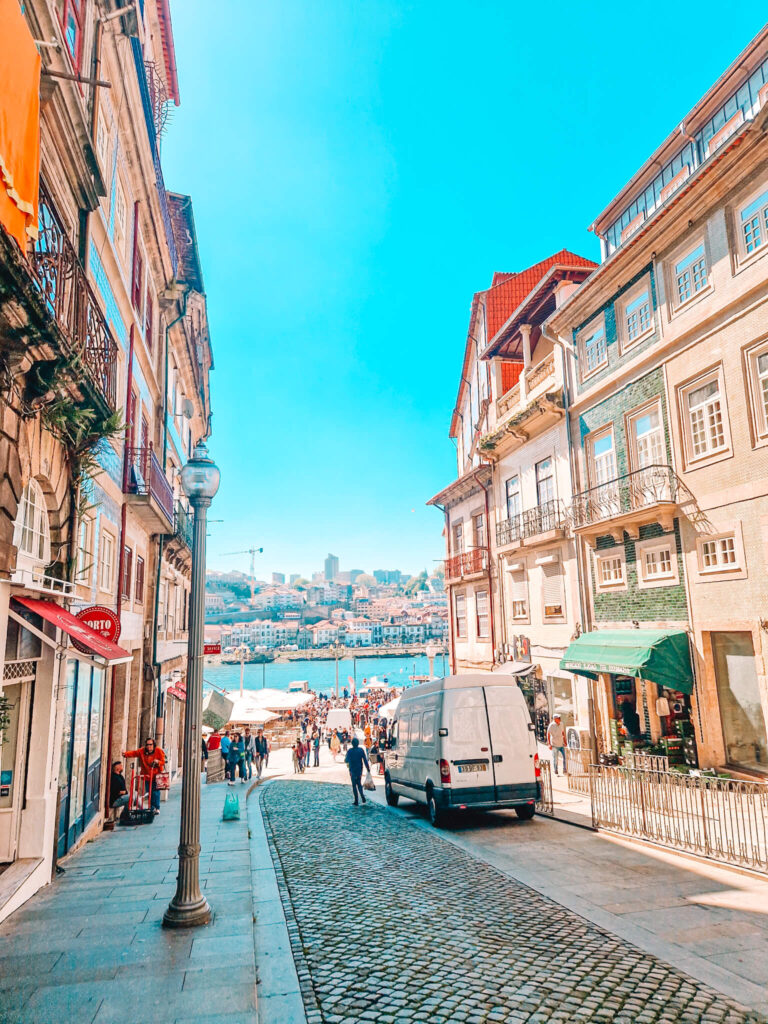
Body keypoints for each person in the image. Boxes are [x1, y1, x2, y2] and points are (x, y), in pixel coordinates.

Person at [123, 738, 165, 814]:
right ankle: (152, 808)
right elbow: (134, 753)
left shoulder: (158, 751)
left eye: (150, 744)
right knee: (149, 792)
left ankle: (157, 807)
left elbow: (163, 761)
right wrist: (125, 754)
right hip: (147, 775)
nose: (149, 746)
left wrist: (157, 762)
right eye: (147, 745)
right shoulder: (142, 751)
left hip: (156, 775)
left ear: (154, 745)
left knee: (156, 792)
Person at [344, 736, 370, 806]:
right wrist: (368, 768)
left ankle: (356, 800)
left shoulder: (350, 751)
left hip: (352, 770)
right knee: (359, 783)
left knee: (354, 785)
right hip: (359, 769)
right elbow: (365, 760)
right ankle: (362, 797)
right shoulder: (361, 750)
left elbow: (346, 760)